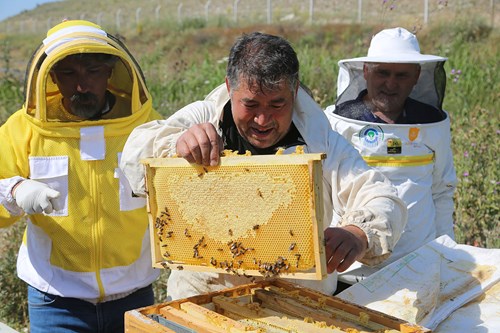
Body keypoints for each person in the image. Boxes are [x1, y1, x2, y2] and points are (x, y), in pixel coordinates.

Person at [120, 31, 408, 300]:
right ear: (230, 87)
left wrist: (359, 233)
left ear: (294, 91)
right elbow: (134, 153)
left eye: (276, 104)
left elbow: (382, 195)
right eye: (251, 104)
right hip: (201, 295)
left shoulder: (322, 140)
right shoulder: (204, 115)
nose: (262, 119)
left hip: (294, 301)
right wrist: (175, 144)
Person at [0, 20, 162, 332]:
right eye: (69, 73)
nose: (81, 85)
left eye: (92, 71)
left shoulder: (145, 126)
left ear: (110, 72)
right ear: (51, 78)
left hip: (134, 293)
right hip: (56, 299)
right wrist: (15, 189)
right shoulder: (24, 129)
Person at [324, 27, 457, 287]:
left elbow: (442, 190)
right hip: (350, 269)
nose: (391, 83)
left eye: (401, 75)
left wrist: (448, 254)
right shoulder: (336, 122)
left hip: (419, 265)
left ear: (416, 76)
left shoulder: (432, 124)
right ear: (365, 71)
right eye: (382, 72)